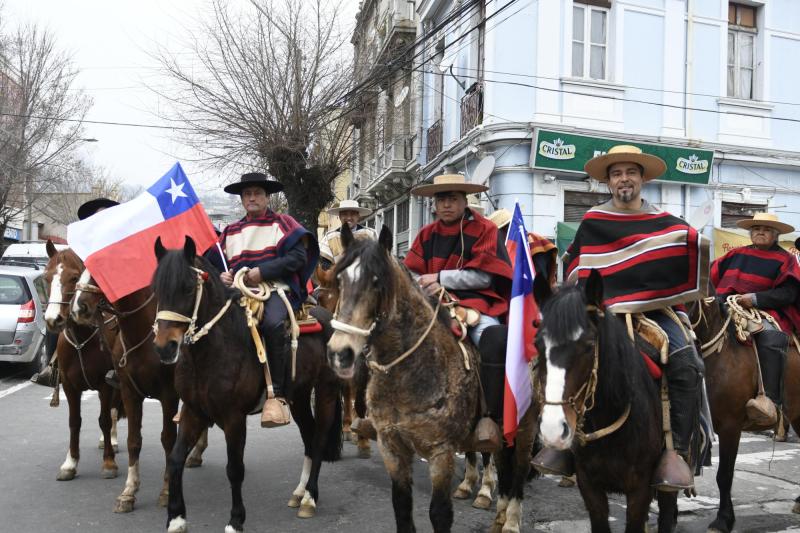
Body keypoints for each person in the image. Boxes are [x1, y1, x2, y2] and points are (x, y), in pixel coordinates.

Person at [558, 145, 709, 491]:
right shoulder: (594, 220)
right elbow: (574, 264)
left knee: (688, 362)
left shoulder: (667, 223)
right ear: (608, 182)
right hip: (603, 311)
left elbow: (685, 260)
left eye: (630, 172)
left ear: (641, 179)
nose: (623, 179)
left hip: (655, 311)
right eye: (616, 173)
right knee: (562, 357)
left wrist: (695, 241)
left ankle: (679, 452)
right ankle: (564, 447)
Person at [218, 172, 318, 428]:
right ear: (241, 200)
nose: (252, 198)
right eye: (247, 194)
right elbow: (219, 264)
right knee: (209, 323)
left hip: (275, 289)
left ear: (267, 197)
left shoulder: (283, 223)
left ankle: (278, 395)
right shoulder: (230, 230)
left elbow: (298, 258)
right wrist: (224, 276)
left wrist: (263, 272)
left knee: (273, 324)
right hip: (238, 291)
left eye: (257, 193)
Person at [711, 212, 800, 426]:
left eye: (767, 229)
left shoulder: (785, 259)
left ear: (776, 234)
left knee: (769, 336)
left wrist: (756, 298)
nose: (760, 232)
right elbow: (711, 277)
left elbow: (789, 294)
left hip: (767, 311)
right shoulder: (735, 254)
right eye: (756, 228)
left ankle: (769, 400)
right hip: (727, 306)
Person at [32, 197, 120, 387]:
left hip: (112, 296)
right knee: (55, 317)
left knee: (129, 320)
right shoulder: (81, 244)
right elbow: (68, 269)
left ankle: (122, 368)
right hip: (82, 296)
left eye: (106, 215)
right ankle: (52, 366)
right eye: (97, 216)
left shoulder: (119, 242)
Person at [318, 199, 377, 270]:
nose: (349, 218)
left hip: (365, 279)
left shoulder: (370, 234)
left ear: (358, 216)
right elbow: (324, 263)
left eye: (352, 214)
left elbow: (377, 259)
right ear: (339, 216)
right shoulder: (330, 238)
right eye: (345, 214)